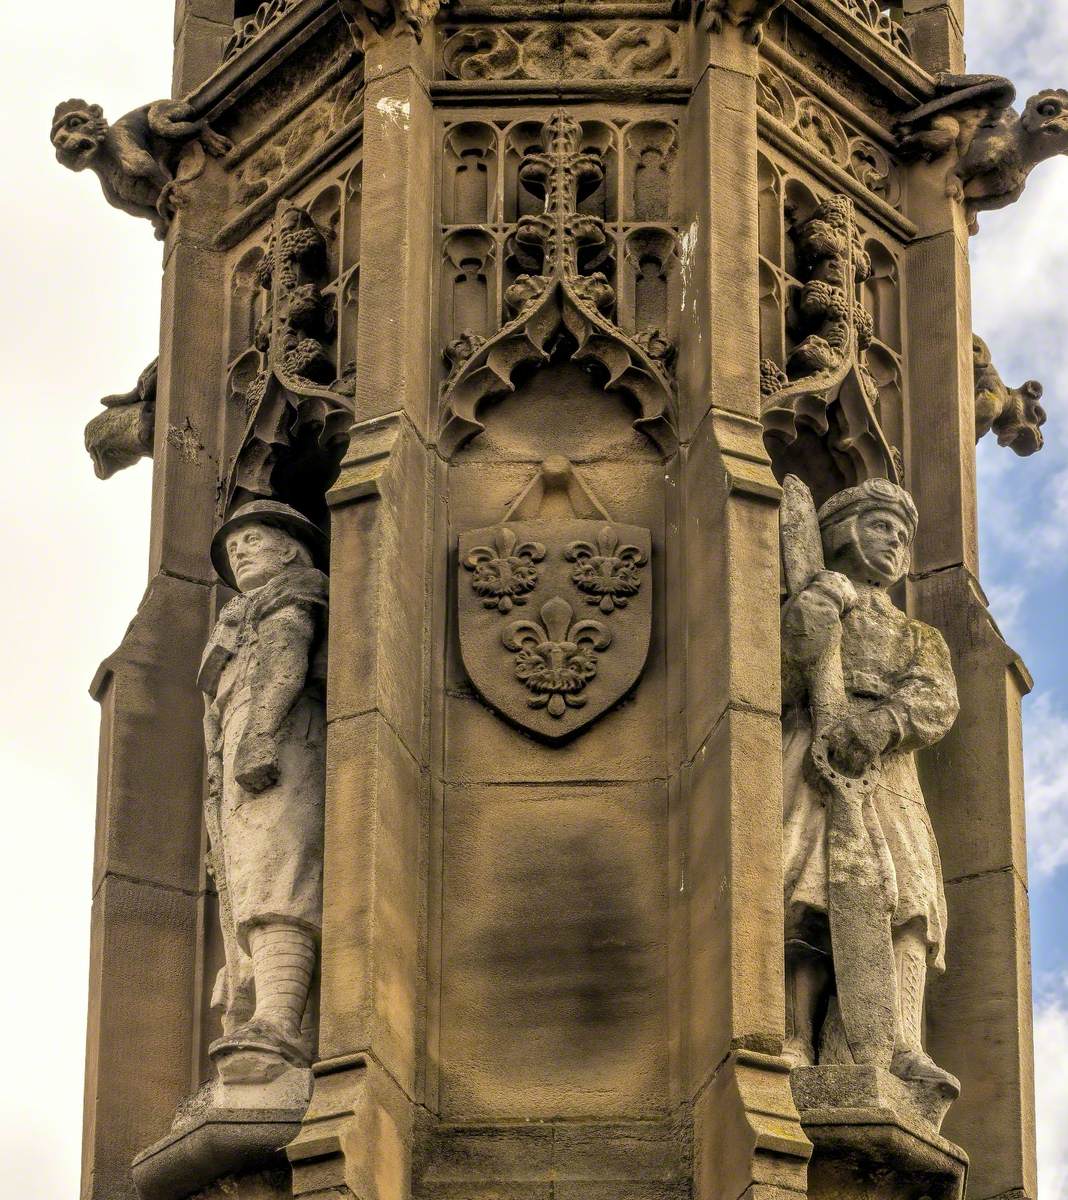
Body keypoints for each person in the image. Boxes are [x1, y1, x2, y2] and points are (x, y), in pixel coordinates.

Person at [780, 478, 960, 1093]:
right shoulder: (809, 599)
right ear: (842, 532)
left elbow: (937, 698)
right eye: (882, 526)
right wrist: (806, 623)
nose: (896, 544)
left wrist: (883, 723)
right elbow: (769, 686)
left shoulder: (915, 636)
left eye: (905, 536)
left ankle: (898, 1043)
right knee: (806, 892)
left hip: (888, 773)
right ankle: (792, 1034)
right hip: (811, 753)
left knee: (907, 903)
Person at [198, 500, 329, 1069]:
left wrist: (261, 733)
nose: (240, 550)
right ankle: (260, 1008)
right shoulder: (238, 613)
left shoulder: (290, 596)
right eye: (233, 546)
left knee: (278, 877)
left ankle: (280, 1019)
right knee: (250, 882)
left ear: (290, 547)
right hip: (236, 752)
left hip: (279, 740)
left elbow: (286, 658)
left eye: (253, 539)